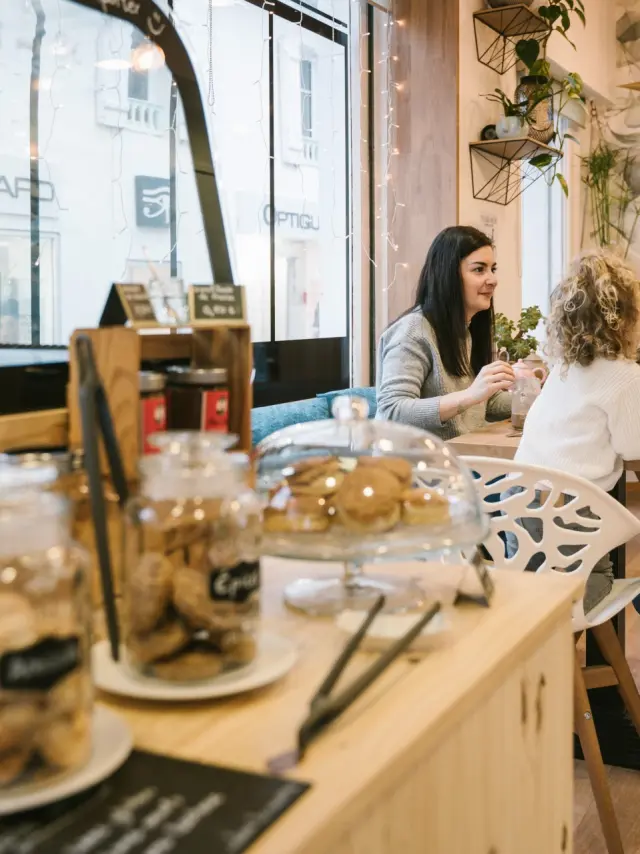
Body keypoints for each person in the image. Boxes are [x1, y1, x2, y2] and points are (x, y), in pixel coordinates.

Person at [514, 250, 640, 612]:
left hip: (521, 521)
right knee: (603, 576)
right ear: (625, 317)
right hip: (573, 527)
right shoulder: (624, 377)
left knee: (542, 590)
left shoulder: (563, 369)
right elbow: (633, 448)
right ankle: (554, 642)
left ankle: (538, 633)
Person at [376, 225, 514, 440]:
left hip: (460, 459)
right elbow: (392, 411)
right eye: (479, 269)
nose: (492, 280)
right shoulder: (412, 331)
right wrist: (469, 395)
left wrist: (533, 393)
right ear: (448, 274)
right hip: (413, 467)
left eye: (492, 269)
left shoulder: (466, 330)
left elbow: (487, 403)